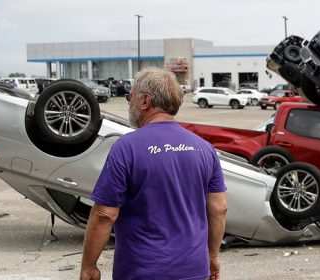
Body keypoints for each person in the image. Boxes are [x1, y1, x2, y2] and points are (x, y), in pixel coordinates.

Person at [80, 67, 228, 280]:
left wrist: (89, 267)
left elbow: (104, 214)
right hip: (194, 269)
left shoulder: (127, 148)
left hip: (142, 271)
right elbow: (219, 208)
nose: (129, 103)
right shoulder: (205, 149)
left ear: (145, 101)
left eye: (129, 97)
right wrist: (212, 255)